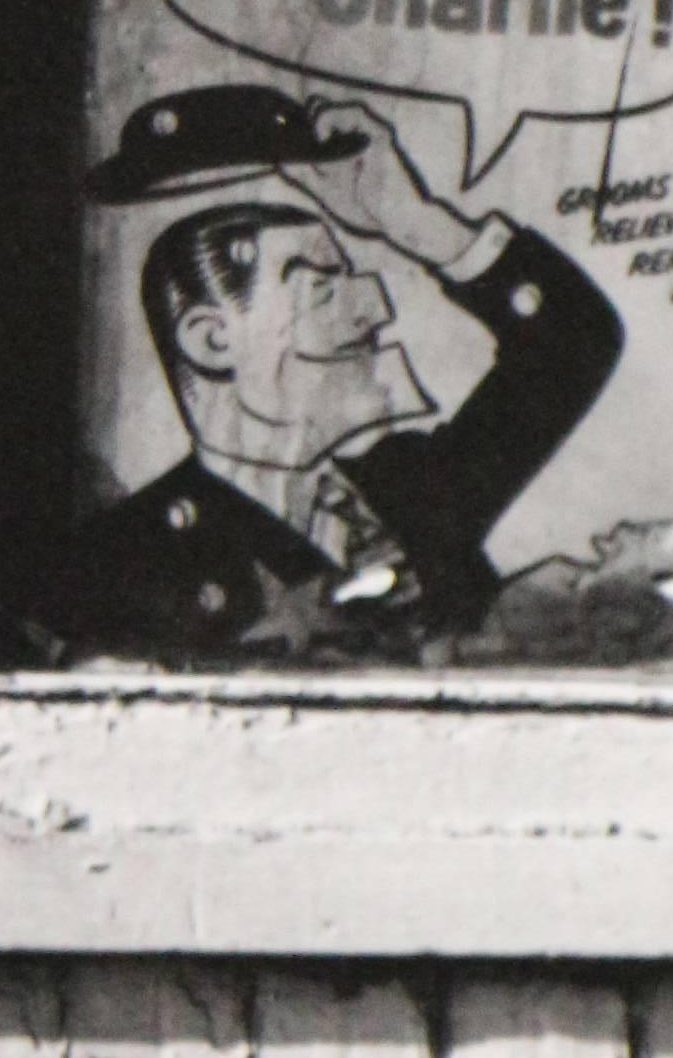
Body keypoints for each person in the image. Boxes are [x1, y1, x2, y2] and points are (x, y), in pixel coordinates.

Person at [58, 85, 620, 662]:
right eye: (322, 290)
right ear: (212, 339)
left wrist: (415, 222)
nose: (374, 312)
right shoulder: (125, 556)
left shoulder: (409, 488)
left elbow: (572, 342)